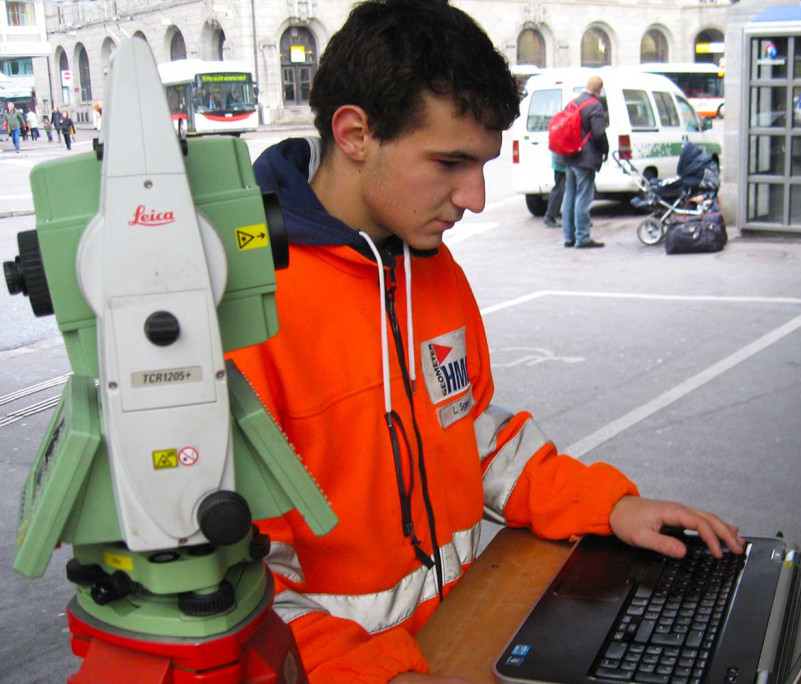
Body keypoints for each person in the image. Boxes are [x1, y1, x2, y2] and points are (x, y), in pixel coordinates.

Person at [228, 2, 743, 682]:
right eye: (450, 162)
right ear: (355, 133)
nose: (474, 197)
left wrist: (607, 506)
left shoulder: (431, 268)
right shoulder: (245, 311)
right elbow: (243, 588)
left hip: (467, 636)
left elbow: (469, 433)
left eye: (482, 165)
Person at [558, 76, 608, 249]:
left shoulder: (572, 103)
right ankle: (583, 237)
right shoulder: (595, 105)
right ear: (599, 90)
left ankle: (568, 237)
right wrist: (605, 150)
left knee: (569, 196)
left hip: (569, 156)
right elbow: (599, 133)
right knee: (583, 197)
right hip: (585, 159)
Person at [543, 152, 565, 228]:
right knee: (559, 188)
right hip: (562, 160)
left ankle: (550, 215)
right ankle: (550, 216)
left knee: (560, 187)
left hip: (560, 159)